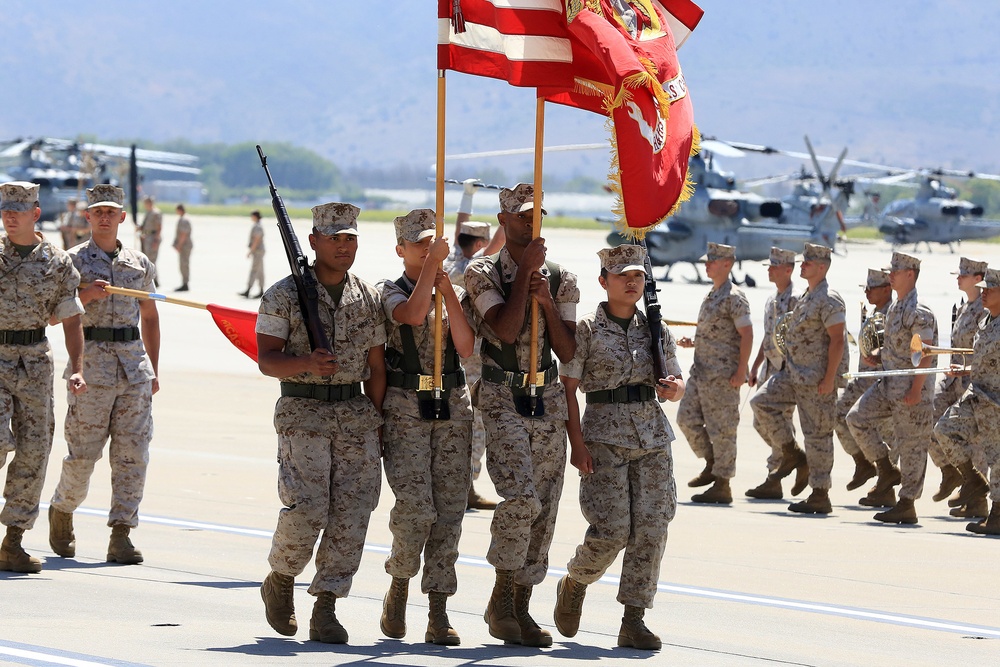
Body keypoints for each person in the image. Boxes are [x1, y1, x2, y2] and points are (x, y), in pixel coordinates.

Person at [255, 202, 387, 644]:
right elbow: (267, 361)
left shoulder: (366, 295)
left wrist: (379, 418)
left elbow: (376, 364)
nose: (344, 246)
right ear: (313, 242)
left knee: (353, 513)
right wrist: (306, 362)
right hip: (303, 412)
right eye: (334, 238)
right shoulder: (283, 294)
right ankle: (282, 576)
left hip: (355, 415)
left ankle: (327, 605)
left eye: (350, 238)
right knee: (309, 507)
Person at [464, 183, 579, 647]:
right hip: (501, 392)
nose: (532, 225)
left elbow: (569, 349)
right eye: (522, 217)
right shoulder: (481, 271)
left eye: (538, 217)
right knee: (521, 497)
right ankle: (501, 599)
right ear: (503, 219)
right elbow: (506, 332)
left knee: (546, 506)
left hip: (546, 394)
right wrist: (523, 276)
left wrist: (547, 299)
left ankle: (521, 605)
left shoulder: (561, 276)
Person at [554, 244, 685, 651]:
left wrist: (674, 388)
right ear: (603, 281)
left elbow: (676, 382)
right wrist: (576, 443)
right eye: (622, 275)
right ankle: (576, 580)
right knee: (612, 530)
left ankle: (634, 618)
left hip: (651, 436)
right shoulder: (588, 330)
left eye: (638, 276)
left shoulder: (655, 327)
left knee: (652, 528)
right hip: (604, 437)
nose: (631, 282)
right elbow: (568, 390)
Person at [377, 209, 475, 645]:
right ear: (401, 249)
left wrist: (448, 291)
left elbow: (466, 345)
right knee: (416, 508)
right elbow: (412, 317)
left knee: (450, 513)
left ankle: (438, 609)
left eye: (431, 242)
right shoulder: (389, 291)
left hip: (452, 403)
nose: (425, 248)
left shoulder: (449, 287)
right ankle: (399, 586)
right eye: (417, 243)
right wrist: (431, 271)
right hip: (407, 407)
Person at [47, 185, 159, 565]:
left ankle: (121, 534)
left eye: (112, 211)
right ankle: (62, 509)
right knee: (84, 454)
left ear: (123, 217)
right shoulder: (71, 262)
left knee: (133, 455)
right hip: (91, 367)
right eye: (98, 212)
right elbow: (52, 315)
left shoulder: (139, 264)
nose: (105, 217)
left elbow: (150, 318)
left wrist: (153, 370)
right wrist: (86, 297)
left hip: (133, 368)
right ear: (88, 217)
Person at [0, 181, 87, 573]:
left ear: (36, 213)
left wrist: (78, 367)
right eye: (5, 209)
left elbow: (71, 317)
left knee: (35, 451)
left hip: (35, 361)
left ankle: (12, 540)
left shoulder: (57, 262)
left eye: (17, 209)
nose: (9, 215)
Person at [750, 243, 847, 515]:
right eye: (803, 262)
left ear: (822, 267)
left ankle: (820, 494)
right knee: (762, 403)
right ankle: (793, 453)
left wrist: (829, 378)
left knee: (817, 434)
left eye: (808, 263)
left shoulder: (829, 299)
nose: (802, 266)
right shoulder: (807, 296)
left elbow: (838, 340)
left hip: (817, 378)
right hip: (792, 373)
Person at [847, 252, 938, 525]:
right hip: (888, 385)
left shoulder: (919, 311)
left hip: (911, 392)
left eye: (896, 270)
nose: (891, 275)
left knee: (912, 446)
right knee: (856, 418)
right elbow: (899, 347)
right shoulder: (897, 308)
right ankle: (886, 469)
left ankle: (907, 504)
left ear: (910, 274)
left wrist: (916, 390)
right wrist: (878, 353)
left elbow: (926, 353)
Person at [676, 242, 753, 505]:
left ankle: (722, 484)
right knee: (686, 418)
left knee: (723, 429)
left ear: (727, 264)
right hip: (701, 373)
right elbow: (719, 333)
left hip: (723, 376)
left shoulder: (734, 297)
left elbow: (747, 334)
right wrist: (695, 341)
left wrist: (741, 371)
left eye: (712, 261)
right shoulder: (712, 294)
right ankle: (712, 463)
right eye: (707, 260)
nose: (707, 264)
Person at [934, 267, 1000, 535]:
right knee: (943, 429)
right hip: (976, 396)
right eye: (982, 289)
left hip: (995, 402)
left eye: (989, 290)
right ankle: (972, 480)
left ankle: (996, 515)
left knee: (998, 460)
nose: (983, 294)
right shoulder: (985, 320)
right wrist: (966, 370)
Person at [444, 219, 497, 510]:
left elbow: (460, 237)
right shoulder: (469, 270)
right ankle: (466, 488)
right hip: (472, 362)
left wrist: (467, 197)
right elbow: (496, 246)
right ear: (479, 245)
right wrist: (508, 219)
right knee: (475, 428)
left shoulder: (451, 262)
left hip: (456, 358)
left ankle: (464, 486)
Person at [746, 247, 807, 500]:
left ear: (788, 269)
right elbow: (769, 335)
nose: (769, 270)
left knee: (776, 418)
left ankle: (776, 475)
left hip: (787, 370)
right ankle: (784, 464)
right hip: (770, 367)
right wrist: (756, 364)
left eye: (774, 266)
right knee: (762, 422)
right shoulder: (772, 299)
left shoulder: (796, 299)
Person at [928, 257, 986, 515]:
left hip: (974, 382)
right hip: (954, 379)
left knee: (976, 439)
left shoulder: (985, 309)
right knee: (930, 420)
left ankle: (977, 502)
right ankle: (949, 471)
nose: (958, 277)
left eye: (964, 274)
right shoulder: (964, 307)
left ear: (978, 278)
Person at [834, 269, 893, 499]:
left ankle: (885, 490)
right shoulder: (874, 313)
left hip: (881, 382)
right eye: (865, 288)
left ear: (887, 289)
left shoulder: (892, 315)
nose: (867, 292)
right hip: (862, 380)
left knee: (884, 435)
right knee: (838, 415)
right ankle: (862, 462)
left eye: (872, 288)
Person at [239, 210, 265, 299]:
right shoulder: (258, 225)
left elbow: (257, 239)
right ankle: (261, 290)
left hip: (257, 251)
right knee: (259, 271)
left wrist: (251, 251)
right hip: (259, 251)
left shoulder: (257, 226)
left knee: (254, 271)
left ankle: (248, 289)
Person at [172, 204, 192, 291]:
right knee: (183, 264)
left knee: (184, 264)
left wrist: (179, 245)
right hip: (184, 245)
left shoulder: (184, 220)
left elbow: (183, 234)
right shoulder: (183, 218)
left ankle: (185, 283)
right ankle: (184, 282)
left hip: (185, 245)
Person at [139, 196, 162, 265]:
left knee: (151, 262)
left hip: (152, 238)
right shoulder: (148, 212)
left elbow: (159, 228)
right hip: (147, 237)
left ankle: (153, 276)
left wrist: (156, 241)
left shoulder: (156, 213)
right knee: (145, 261)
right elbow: (145, 226)